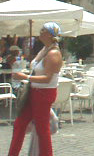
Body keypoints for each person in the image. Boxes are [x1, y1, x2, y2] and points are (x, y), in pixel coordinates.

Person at [8, 22, 63, 156]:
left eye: (43, 30)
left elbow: (47, 78)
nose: (40, 31)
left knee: (42, 128)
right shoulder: (45, 50)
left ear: (50, 34)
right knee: (20, 124)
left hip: (44, 93)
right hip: (34, 91)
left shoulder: (53, 53)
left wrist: (25, 77)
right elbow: (36, 68)